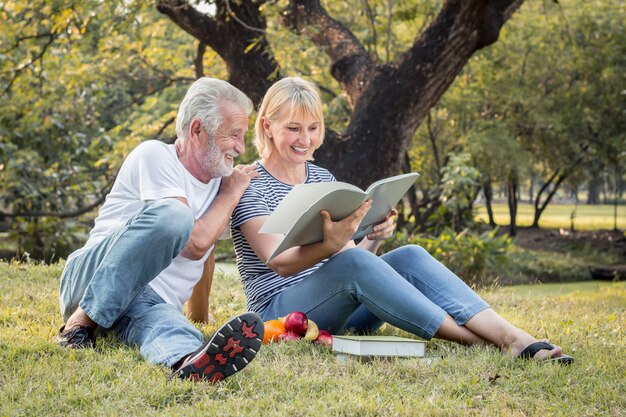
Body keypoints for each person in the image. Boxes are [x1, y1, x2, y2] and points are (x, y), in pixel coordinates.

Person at [230, 77, 573, 364]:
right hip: (283, 314)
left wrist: (375, 236)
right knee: (350, 261)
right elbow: (279, 263)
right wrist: (332, 244)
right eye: (293, 128)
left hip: (341, 312)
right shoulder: (248, 184)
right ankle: (486, 342)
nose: (305, 139)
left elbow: (351, 258)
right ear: (267, 126)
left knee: (409, 254)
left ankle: (509, 334)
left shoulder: (320, 178)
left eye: (313, 128)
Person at [57, 77, 265, 383]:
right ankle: (80, 323)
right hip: (90, 280)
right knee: (176, 216)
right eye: (233, 135)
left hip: (145, 301)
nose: (241, 147)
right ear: (197, 130)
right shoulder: (155, 155)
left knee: (168, 323)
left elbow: (203, 256)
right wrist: (231, 194)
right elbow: (194, 242)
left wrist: (200, 314)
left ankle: (189, 362)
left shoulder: (221, 185)